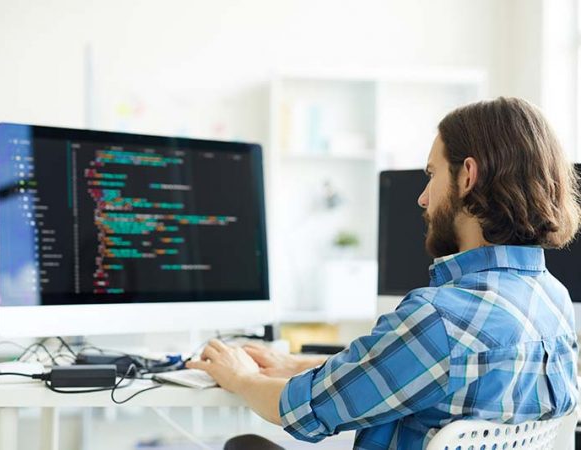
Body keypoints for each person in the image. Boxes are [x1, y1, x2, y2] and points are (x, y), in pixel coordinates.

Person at [186, 97, 581, 449]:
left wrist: (240, 378)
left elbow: (302, 410)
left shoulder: (440, 318)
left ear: (467, 176)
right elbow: (413, 376)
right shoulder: (555, 302)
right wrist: (296, 365)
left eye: (432, 174)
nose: (423, 197)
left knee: (245, 444)